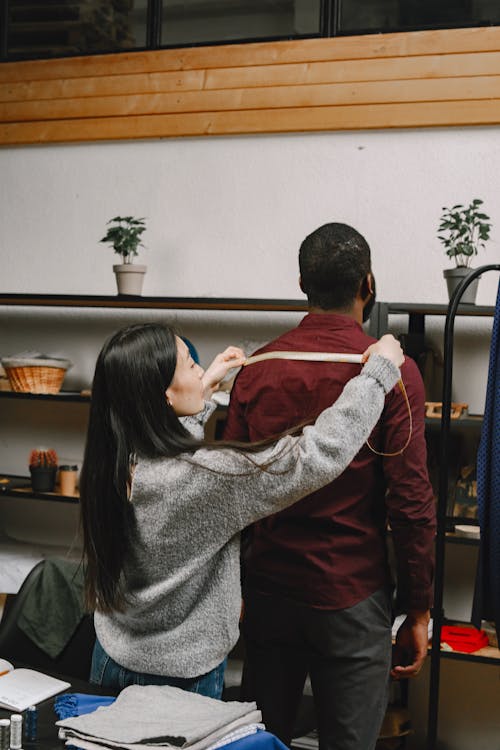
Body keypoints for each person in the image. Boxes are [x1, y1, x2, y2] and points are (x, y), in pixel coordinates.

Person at [79, 321, 403, 699]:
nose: (200, 369)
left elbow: (173, 464)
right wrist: (377, 375)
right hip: (180, 681)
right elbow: (314, 456)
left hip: (110, 659)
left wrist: (200, 396)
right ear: (163, 395)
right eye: (189, 364)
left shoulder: (113, 462)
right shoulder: (209, 478)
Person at [223, 223, 437, 750]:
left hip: (268, 592)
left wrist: (234, 590)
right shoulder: (390, 371)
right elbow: (410, 503)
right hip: (351, 596)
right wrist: (419, 608)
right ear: (368, 283)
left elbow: (229, 495)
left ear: (302, 283)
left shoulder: (256, 369)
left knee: (259, 744)